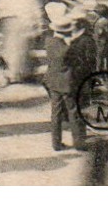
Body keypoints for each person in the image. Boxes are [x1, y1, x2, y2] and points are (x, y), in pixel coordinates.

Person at [45, 11, 85, 152]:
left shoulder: (49, 42)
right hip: (67, 83)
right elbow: (76, 62)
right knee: (73, 111)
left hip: (52, 81)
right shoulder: (69, 49)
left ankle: (56, 143)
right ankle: (79, 142)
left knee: (55, 113)